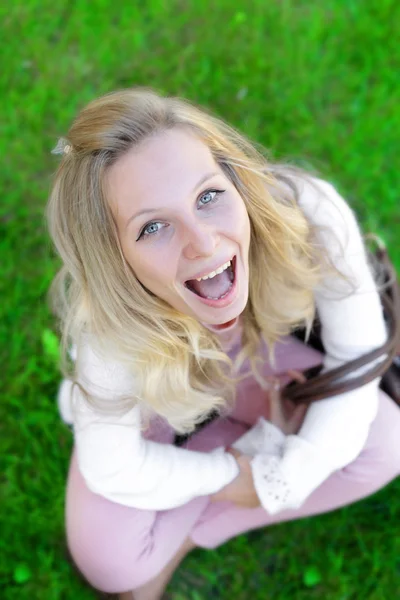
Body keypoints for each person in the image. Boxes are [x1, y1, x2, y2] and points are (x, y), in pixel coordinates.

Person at [47, 87, 400, 600]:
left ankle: (188, 535)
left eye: (208, 196)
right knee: (111, 567)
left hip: (260, 360)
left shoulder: (307, 211)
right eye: (154, 227)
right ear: (114, 255)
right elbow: (115, 467)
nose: (204, 242)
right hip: (158, 392)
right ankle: (231, 446)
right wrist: (225, 474)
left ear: (236, 180)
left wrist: (280, 480)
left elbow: (359, 360)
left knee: (385, 443)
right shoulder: (107, 328)